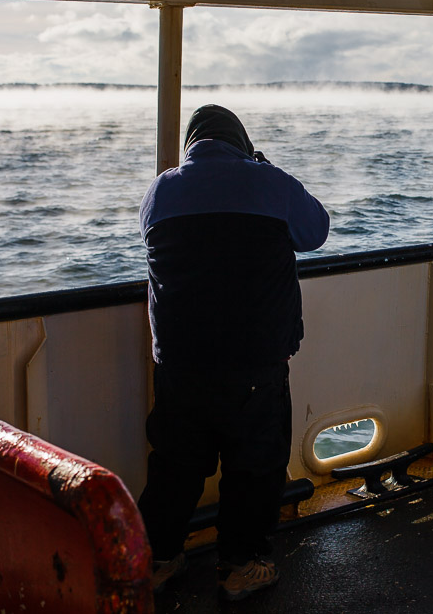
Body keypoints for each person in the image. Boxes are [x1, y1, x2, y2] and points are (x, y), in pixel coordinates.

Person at [136, 104, 329, 601]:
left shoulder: (162, 189)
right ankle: (242, 566)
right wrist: (262, 168)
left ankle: (156, 560)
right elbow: (316, 232)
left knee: (175, 466)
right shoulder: (271, 182)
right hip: (254, 364)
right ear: (242, 143)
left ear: (190, 146)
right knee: (254, 466)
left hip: (178, 364)